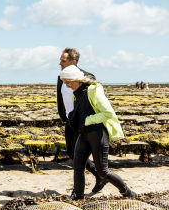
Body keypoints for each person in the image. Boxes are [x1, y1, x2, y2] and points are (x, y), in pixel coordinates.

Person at [60, 65, 137, 200]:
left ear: (76, 79)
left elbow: (108, 113)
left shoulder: (93, 90)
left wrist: (87, 120)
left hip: (98, 134)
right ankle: (78, 196)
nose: (67, 86)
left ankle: (127, 192)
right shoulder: (75, 94)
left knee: (103, 171)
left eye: (68, 82)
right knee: (78, 167)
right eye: (65, 83)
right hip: (83, 134)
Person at [57, 48, 105, 194]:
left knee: (79, 159)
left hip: (83, 121)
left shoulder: (87, 76)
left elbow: (94, 98)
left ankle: (79, 190)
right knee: (72, 154)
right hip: (69, 120)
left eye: (63, 60)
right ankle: (99, 176)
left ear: (74, 62)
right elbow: (61, 98)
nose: (60, 62)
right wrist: (64, 116)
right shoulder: (61, 76)